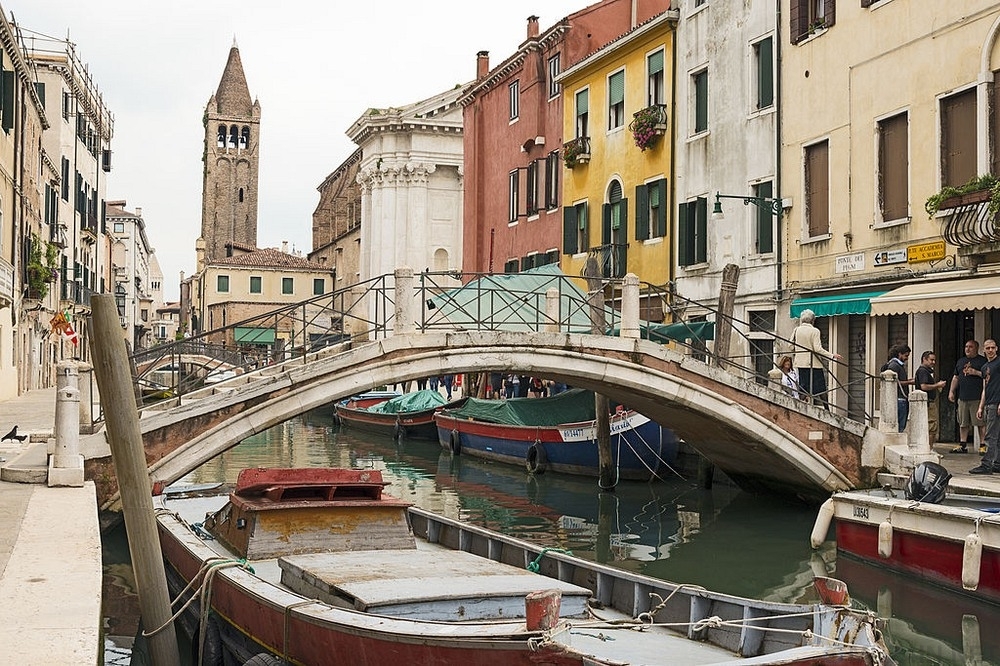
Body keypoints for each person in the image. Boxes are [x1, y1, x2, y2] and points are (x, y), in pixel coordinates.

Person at [791, 309, 842, 408]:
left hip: (800, 363)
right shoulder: (815, 331)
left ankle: (798, 408)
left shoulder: (796, 330)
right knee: (821, 388)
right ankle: (827, 410)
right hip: (813, 364)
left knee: (803, 387)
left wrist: (798, 350)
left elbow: (790, 345)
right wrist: (831, 355)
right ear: (813, 320)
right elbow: (817, 349)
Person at [948, 340, 987, 454]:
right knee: (963, 422)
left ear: (976, 348)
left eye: (970, 347)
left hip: (977, 397)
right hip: (963, 397)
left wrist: (976, 372)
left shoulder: (982, 361)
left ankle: (982, 445)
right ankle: (963, 445)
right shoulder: (961, 361)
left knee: (980, 423)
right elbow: (956, 377)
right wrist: (951, 391)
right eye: (966, 347)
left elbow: (987, 376)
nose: (967, 349)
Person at [970, 339, 1000, 475]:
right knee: (996, 436)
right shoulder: (984, 367)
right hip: (988, 403)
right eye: (988, 348)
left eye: (992, 348)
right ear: (984, 349)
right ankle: (997, 463)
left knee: (990, 436)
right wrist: (981, 407)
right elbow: (984, 388)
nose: (990, 350)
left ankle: (986, 464)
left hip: (996, 404)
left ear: (996, 349)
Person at [914, 351, 947, 444]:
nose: (933, 362)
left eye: (934, 360)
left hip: (927, 402)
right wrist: (937, 385)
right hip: (928, 403)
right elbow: (923, 386)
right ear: (924, 359)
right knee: (931, 426)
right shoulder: (923, 371)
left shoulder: (923, 371)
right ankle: (929, 448)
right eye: (931, 360)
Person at [882, 344, 913, 431]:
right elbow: (895, 382)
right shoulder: (894, 366)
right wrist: (910, 382)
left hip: (901, 399)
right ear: (900, 354)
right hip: (899, 399)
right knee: (900, 425)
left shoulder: (896, 365)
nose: (907, 358)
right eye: (906, 355)